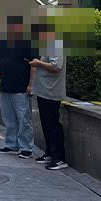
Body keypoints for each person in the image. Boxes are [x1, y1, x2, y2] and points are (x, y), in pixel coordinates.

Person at [0, 17, 38, 159]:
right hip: (5, 87)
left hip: (21, 87)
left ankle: (26, 147)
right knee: (8, 118)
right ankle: (11, 144)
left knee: (24, 119)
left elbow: (34, 65)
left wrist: (31, 84)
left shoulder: (29, 43)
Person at [30, 21, 68, 170]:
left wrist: (38, 63)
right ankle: (50, 153)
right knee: (46, 123)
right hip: (43, 90)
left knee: (53, 124)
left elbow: (56, 66)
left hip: (51, 91)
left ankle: (59, 158)